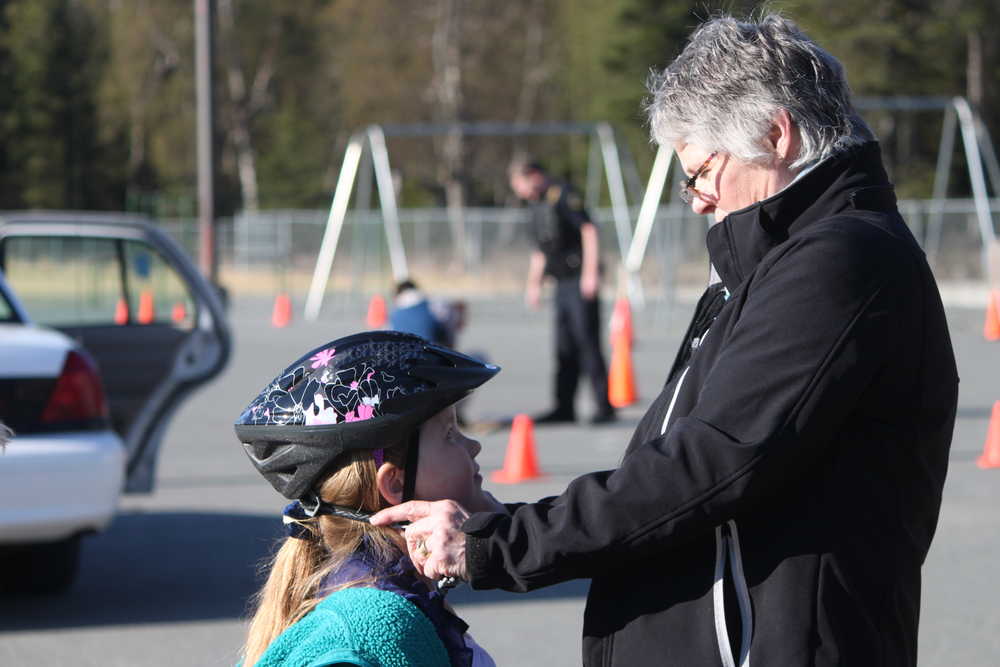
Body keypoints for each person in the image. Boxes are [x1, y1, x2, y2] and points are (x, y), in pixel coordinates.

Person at [373, 14, 959, 667]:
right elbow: (677, 459)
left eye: (702, 171)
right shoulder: (780, 260)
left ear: (775, 135)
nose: (698, 200)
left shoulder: (838, 263)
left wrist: (498, 542)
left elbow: (708, 463)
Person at [234, 331, 503, 667]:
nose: (473, 446)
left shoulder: (398, 593)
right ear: (395, 482)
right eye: (449, 434)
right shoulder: (363, 639)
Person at [509, 159, 616, 424]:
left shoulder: (564, 194)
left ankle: (604, 406)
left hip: (579, 278)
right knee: (563, 346)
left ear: (534, 175)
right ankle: (564, 407)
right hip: (561, 283)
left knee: (587, 343)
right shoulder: (537, 204)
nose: (521, 193)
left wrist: (590, 274)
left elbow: (589, 230)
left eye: (521, 186)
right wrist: (533, 285)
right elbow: (542, 249)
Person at [389, 279, 466, 348]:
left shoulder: (394, 313)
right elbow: (457, 321)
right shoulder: (435, 305)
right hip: (434, 356)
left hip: (405, 357)